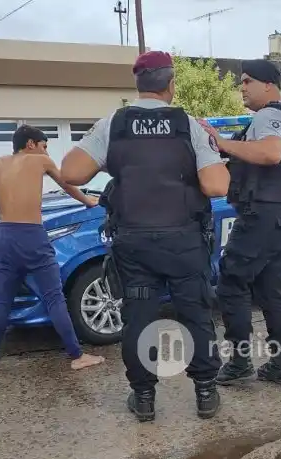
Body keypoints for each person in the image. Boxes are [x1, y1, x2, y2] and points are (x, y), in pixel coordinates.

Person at [60, 51, 229, 422]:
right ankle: (205, 393)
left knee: (138, 318)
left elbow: (70, 171)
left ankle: (144, 398)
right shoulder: (189, 126)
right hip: (183, 243)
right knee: (195, 314)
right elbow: (217, 186)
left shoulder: (114, 124)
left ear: (137, 85)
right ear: (170, 84)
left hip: (134, 244)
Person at [197, 59, 281, 386]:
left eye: (247, 81)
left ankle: (241, 361)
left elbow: (271, 154)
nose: (241, 88)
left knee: (231, 282)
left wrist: (222, 142)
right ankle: (280, 363)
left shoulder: (269, 116)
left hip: (263, 216)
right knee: (271, 288)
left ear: (268, 85)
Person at [0, 126, 105, 376]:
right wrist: (89, 201)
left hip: (4, 235)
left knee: (1, 302)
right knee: (53, 297)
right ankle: (77, 356)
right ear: (31, 144)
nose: (46, 150)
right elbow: (68, 184)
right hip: (31, 235)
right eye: (44, 145)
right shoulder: (40, 161)